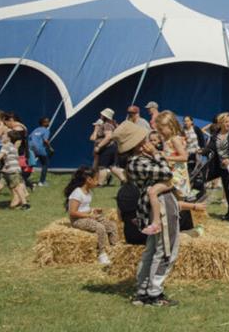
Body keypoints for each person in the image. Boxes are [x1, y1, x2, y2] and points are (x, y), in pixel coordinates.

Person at [118, 121, 180, 307]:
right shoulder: (138, 162)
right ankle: (154, 293)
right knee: (166, 250)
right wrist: (156, 154)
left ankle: (143, 290)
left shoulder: (139, 160)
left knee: (153, 250)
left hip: (157, 203)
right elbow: (167, 173)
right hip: (161, 205)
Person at [64, 166, 118, 265]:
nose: (98, 182)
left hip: (87, 216)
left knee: (112, 226)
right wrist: (89, 216)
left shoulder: (89, 192)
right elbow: (72, 212)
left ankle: (115, 248)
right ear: (89, 180)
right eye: (96, 179)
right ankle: (102, 254)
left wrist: (93, 210)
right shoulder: (77, 193)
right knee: (100, 228)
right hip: (77, 220)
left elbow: (85, 207)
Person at [204, 113, 229, 221]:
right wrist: (202, 151)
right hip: (219, 166)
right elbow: (210, 147)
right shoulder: (216, 134)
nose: (228, 124)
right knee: (224, 189)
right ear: (220, 123)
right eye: (226, 122)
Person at [0, 130, 30, 210]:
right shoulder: (10, 145)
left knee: (18, 188)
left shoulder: (7, 146)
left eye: (4, 135)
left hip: (13, 171)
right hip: (6, 171)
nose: (2, 136)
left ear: (8, 138)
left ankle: (25, 204)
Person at [90, 108, 118, 186]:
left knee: (102, 166)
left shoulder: (107, 125)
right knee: (108, 166)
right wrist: (95, 130)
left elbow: (108, 137)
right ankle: (119, 179)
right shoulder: (106, 124)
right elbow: (92, 138)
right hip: (105, 148)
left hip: (107, 147)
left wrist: (99, 146)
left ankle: (100, 183)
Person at [28, 117, 52, 187]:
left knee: (30, 164)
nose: (48, 123)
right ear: (43, 123)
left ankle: (24, 178)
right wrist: (50, 148)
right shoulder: (46, 130)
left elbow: (30, 138)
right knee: (45, 164)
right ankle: (42, 182)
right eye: (47, 122)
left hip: (31, 148)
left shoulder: (35, 129)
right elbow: (45, 140)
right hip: (40, 149)